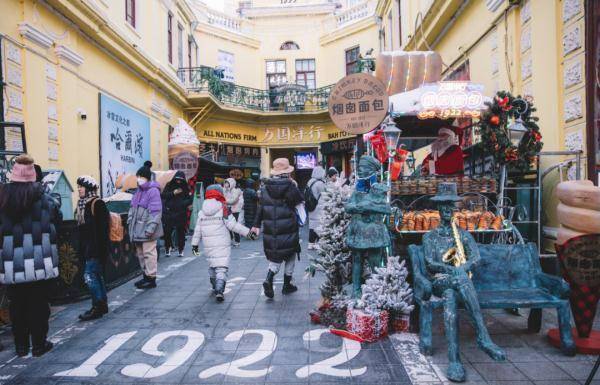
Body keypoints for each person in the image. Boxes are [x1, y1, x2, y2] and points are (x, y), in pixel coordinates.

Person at [422, 183, 505, 382]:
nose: (447, 210)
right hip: (439, 280)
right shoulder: (430, 237)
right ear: (438, 209)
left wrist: (463, 268)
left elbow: (475, 258)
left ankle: (454, 361)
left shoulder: (463, 235)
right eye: (443, 206)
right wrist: (451, 269)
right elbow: (429, 263)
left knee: (450, 298)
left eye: (451, 206)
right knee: (456, 282)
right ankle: (483, 337)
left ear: (455, 209)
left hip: (455, 285)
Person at [0, 154, 59, 357]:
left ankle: (21, 346)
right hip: (38, 260)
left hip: (11, 261)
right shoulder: (43, 197)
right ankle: (39, 345)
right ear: (33, 174)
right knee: (39, 305)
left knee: (17, 306)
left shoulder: (3, 197)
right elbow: (56, 214)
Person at [251, 158, 304, 299]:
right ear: (286, 173)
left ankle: (269, 278)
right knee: (291, 255)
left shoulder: (264, 188)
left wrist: (256, 225)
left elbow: (261, 208)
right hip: (289, 228)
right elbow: (299, 202)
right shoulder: (290, 186)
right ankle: (287, 285)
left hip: (272, 229)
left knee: (276, 256)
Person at [191, 185, 254, 302]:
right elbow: (233, 225)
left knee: (212, 265)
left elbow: (197, 230)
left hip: (208, 244)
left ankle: (214, 284)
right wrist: (248, 233)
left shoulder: (202, 211)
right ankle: (220, 289)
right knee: (221, 267)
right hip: (222, 243)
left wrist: (194, 245)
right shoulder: (223, 208)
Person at [76, 175, 110, 321]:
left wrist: (100, 252)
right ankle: (102, 305)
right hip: (87, 248)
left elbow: (102, 231)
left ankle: (97, 306)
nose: (78, 189)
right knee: (96, 276)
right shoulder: (81, 204)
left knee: (89, 276)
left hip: (95, 249)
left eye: (81, 186)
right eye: (78, 186)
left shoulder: (97, 204)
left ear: (89, 188)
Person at [128, 163, 163, 289]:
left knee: (149, 253)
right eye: (138, 176)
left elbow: (155, 211)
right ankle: (145, 276)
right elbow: (132, 209)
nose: (139, 179)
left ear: (147, 178)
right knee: (141, 254)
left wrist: (150, 228)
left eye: (141, 177)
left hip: (147, 230)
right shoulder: (138, 191)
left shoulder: (153, 191)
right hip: (137, 230)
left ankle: (151, 278)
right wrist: (130, 223)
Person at [161, 171, 192, 258]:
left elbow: (189, 199)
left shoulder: (185, 187)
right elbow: (163, 195)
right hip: (169, 212)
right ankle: (168, 247)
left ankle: (181, 249)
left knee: (181, 232)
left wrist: (182, 204)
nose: (178, 182)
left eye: (180, 180)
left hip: (181, 212)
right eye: (177, 180)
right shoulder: (169, 185)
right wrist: (173, 193)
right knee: (167, 231)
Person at [306, 166, 326, 250]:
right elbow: (326, 193)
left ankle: (311, 243)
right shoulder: (320, 183)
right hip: (318, 206)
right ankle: (318, 243)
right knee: (319, 225)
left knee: (312, 225)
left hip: (310, 206)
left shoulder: (309, 182)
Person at [224, 178, 243, 247]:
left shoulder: (235, 191)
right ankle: (231, 239)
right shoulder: (226, 190)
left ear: (231, 183)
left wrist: (225, 201)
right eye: (225, 183)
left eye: (227, 183)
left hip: (234, 210)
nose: (226, 184)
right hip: (227, 209)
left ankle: (237, 241)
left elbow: (233, 200)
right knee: (227, 225)